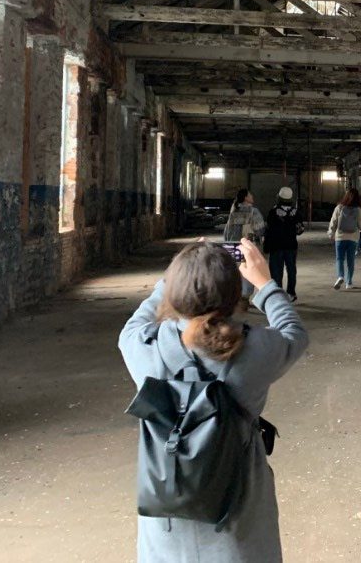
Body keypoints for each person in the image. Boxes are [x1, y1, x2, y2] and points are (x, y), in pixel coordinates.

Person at [119, 239, 309, 563]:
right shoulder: (254, 350)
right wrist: (265, 284)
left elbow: (133, 326)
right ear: (235, 294)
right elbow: (294, 333)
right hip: (238, 516)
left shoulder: (145, 349)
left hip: (167, 523)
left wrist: (175, 278)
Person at [264, 187, 304, 302]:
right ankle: (291, 293)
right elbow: (300, 230)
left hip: (276, 246)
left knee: (276, 271)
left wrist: (266, 245)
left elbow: (269, 230)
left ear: (279, 197)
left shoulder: (273, 211)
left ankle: (278, 294)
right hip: (291, 245)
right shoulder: (295, 212)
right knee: (291, 269)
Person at [224, 189, 266, 299]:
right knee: (247, 271)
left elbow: (227, 230)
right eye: (250, 194)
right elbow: (260, 229)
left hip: (232, 244)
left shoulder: (233, 211)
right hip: (248, 246)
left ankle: (235, 295)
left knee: (235, 271)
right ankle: (244, 297)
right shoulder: (253, 211)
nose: (252, 196)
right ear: (246, 197)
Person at [328, 187, 361, 290]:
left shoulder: (339, 207)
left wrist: (331, 233)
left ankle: (340, 276)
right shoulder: (359, 210)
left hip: (340, 237)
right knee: (350, 260)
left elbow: (333, 221)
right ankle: (349, 283)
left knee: (339, 259)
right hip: (353, 238)